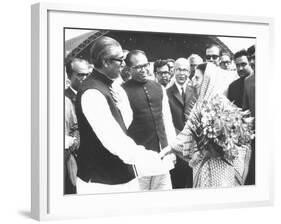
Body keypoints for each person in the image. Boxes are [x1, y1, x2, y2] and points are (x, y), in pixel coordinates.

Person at [75, 37, 174, 194]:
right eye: (120, 60)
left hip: (119, 175)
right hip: (101, 182)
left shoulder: (111, 86)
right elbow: (116, 141)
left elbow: (124, 123)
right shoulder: (92, 92)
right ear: (105, 61)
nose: (123, 65)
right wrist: (157, 159)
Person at [161, 62, 252, 188]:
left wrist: (218, 146)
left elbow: (238, 140)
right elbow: (187, 132)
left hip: (221, 169)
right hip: (203, 165)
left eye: (197, 78)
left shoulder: (223, 105)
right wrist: (170, 148)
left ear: (208, 80)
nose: (193, 81)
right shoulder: (200, 104)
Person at [122, 50, 176, 190]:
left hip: (162, 156)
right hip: (140, 160)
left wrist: (172, 148)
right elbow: (124, 128)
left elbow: (167, 120)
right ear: (129, 69)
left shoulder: (159, 88)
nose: (144, 69)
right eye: (139, 67)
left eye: (146, 65)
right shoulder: (122, 91)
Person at [166, 58, 196, 188]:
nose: (181, 73)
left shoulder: (196, 91)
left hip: (194, 145)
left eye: (184, 70)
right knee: (177, 182)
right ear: (173, 71)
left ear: (189, 72)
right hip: (177, 144)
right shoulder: (166, 92)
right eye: (178, 69)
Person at [64, 58, 90, 194]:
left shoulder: (92, 95)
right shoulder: (63, 99)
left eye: (87, 74)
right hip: (73, 157)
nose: (85, 78)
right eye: (80, 75)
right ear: (69, 76)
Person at [243, 45, 256, 185]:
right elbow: (245, 110)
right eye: (251, 58)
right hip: (255, 137)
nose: (253, 62)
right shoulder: (248, 81)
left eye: (256, 58)